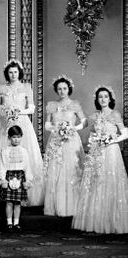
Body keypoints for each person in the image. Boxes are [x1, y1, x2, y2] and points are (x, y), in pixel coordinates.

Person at [0, 59, 44, 206]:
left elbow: (31, 108)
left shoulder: (26, 87)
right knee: (4, 154)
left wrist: (19, 111)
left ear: (19, 73)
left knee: (25, 154)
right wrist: (5, 111)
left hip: (22, 122)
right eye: (10, 72)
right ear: (7, 74)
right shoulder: (1, 89)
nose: (13, 74)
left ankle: (26, 192)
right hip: (5, 123)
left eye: (15, 72)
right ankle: (5, 192)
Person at [72, 86, 128, 234]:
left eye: (105, 96)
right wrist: (93, 141)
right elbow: (91, 135)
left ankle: (112, 220)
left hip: (111, 152)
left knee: (110, 182)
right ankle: (96, 220)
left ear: (110, 99)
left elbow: (125, 133)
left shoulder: (115, 114)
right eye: (100, 97)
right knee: (96, 182)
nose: (103, 99)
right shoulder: (94, 116)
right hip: (97, 152)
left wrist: (110, 140)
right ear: (97, 100)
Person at [43, 76, 86, 217]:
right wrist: (56, 129)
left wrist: (73, 128)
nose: (62, 91)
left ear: (69, 89)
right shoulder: (52, 105)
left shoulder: (75, 105)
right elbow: (47, 124)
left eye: (64, 88)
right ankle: (58, 206)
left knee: (72, 170)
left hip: (72, 140)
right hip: (56, 141)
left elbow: (84, 121)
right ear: (56, 90)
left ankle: (73, 207)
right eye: (59, 89)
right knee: (56, 170)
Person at [0, 125, 33, 231]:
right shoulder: (5, 151)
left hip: (20, 176)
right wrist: (3, 179)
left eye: (18, 137)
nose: (16, 139)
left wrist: (28, 180)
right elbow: (2, 166)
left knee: (17, 202)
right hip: (9, 176)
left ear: (21, 137)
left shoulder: (24, 151)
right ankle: (9, 222)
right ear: (9, 138)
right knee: (9, 202)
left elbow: (27, 166)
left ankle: (16, 222)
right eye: (13, 137)